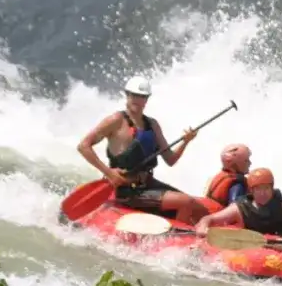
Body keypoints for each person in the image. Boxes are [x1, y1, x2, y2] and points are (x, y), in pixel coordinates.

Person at [75, 77, 209, 224]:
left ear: (147, 99)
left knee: (199, 209)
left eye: (142, 96)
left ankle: (187, 230)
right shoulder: (116, 120)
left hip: (147, 184)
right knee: (185, 202)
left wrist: (186, 141)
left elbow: (170, 160)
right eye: (133, 95)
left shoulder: (152, 124)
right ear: (127, 95)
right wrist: (109, 173)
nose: (137, 99)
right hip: (127, 189)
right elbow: (83, 146)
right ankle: (178, 235)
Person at [194, 167, 282, 241]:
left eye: (266, 188)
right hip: (253, 250)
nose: (263, 193)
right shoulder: (240, 208)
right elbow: (210, 219)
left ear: (272, 189)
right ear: (251, 191)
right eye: (258, 189)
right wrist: (203, 227)